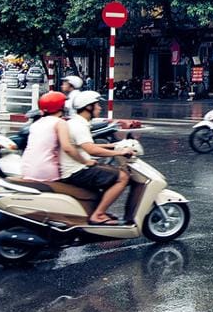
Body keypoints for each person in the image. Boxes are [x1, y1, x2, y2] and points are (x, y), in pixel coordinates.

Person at [59, 91, 133, 224]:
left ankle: (98, 209)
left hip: (77, 168)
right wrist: (119, 153)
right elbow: (92, 149)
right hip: (76, 171)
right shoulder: (79, 125)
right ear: (88, 107)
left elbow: (87, 146)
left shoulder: (76, 122)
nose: (100, 108)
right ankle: (98, 215)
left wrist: (114, 145)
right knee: (122, 177)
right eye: (97, 105)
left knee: (108, 171)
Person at [19, 92, 69, 182]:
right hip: (46, 171)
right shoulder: (60, 122)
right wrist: (85, 161)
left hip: (26, 169)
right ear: (60, 107)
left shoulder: (36, 124)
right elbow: (67, 148)